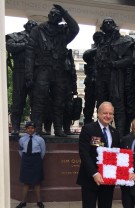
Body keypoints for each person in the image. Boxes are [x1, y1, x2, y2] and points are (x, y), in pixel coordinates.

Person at [25, 4, 79, 137]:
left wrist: (64, 12)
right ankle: (37, 128)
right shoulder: (38, 30)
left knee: (59, 101)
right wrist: (29, 74)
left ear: (61, 18)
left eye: (57, 14)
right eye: (52, 13)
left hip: (59, 71)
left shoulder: (63, 31)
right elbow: (30, 53)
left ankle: (58, 129)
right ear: (48, 15)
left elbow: (75, 28)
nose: (54, 16)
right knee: (39, 100)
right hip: (42, 69)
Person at [77, 102, 120, 208]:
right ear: (98, 113)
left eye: (111, 113)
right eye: (105, 113)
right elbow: (84, 153)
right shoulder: (88, 129)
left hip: (108, 181)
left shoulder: (115, 133)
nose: (108, 116)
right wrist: (94, 173)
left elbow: (117, 156)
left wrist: (121, 174)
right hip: (90, 180)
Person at [95, 18, 134, 137]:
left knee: (118, 107)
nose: (107, 25)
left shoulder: (124, 41)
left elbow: (130, 59)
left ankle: (121, 136)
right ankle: (102, 135)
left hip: (115, 77)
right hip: (102, 78)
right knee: (102, 106)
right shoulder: (101, 42)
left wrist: (115, 64)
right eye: (105, 23)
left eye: (110, 23)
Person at [6, 20, 38, 135]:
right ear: (26, 26)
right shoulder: (16, 36)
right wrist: (27, 44)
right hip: (20, 71)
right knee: (18, 100)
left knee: (36, 101)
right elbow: (10, 46)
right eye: (31, 26)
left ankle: (36, 127)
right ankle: (15, 127)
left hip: (36, 72)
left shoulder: (39, 39)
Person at [15, 121, 46, 208]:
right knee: (26, 182)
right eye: (28, 128)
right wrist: (26, 158)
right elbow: (20, 150)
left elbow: (43, 151)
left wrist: (37, 159)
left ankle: (39, 201)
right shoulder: (22, 139)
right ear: (26, 129)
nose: (30, 130)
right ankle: (23, 201)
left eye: (32, 128)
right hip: (26, 160)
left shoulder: (40, 139)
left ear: (35, 129)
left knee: (37, 182)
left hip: (36, 160)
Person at [83, 31, 104, 125]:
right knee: (88, 105)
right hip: (91, 83)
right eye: (96, 38)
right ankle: (87, 123)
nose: (98, 39)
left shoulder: (106, 52)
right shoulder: (92, 52)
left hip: (102, 83)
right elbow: (86, 55)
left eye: (100, 37)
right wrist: (99, 48)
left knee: (101, 105)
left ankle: (101, 124)